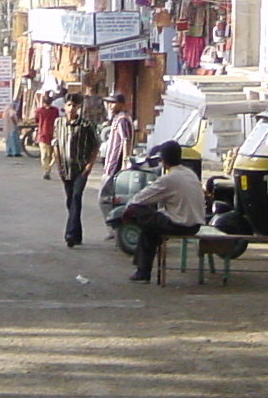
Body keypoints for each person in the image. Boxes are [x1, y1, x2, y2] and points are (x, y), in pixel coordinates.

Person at [120, 140, 203, 283]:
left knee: (138, 209)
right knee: (150, 231)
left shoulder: (169, 178)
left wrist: (128, 209)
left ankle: (143, 272)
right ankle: (142, 272)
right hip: (195, 224)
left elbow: (140, 198)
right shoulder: (189, 173)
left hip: (180, 225)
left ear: (163, 160)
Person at [53, 94, 100, 249]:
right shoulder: (58, 123)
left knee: (76, 196)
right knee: (70, 201)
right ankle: (77, 234)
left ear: (79, 107)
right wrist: (58, 164)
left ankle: (70, 234)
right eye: (69, 105)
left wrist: (89, 165)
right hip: (65, 168)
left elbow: (95, 146)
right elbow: (56, 145)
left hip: (81, 168)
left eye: (74, 105)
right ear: (64, 106)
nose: (71, 108)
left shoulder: (86, 125)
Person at [96, 92, 136, 236]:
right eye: (109, 103)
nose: (110, 106)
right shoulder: (117, 119)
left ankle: (114, 228)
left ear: (121, 104)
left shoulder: (123, 120)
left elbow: (126, 140)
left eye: (113, 103)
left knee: (104, 199)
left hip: (115, 167)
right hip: (111, 165)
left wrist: (125, 162)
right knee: (112, 199)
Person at [34, 91, 62, 180]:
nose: (48, 106)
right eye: (47, 104)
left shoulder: (55, 110)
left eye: (49, 104)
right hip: (42, 135)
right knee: (44, 155)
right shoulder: (39, 111)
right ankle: (46, 171)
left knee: (53, 155)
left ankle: (48, 168)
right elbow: (37, 121)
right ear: (44, 103)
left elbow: (57, 120)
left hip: (53, 135)